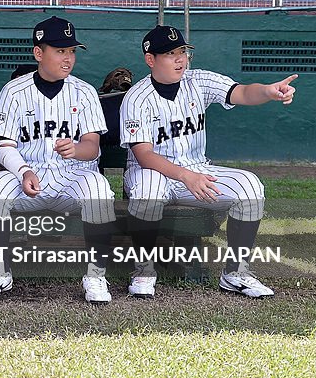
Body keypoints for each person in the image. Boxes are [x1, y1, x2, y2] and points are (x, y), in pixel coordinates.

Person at [120, 25, 296, 298]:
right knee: (148, 190)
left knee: (250, 186)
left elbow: (243, 92)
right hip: (151, 171)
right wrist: (185, 177)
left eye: (182, 52)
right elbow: (144, 155)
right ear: (150, 59)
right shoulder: (137, 97)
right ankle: (143, 270)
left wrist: (269, 91)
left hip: (196, 169)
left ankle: (235, 274)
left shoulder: (199, 81)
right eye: (170, 54)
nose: (180, 59)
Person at [0, 16, 117, 303]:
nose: (68, 58)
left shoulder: (85, 91)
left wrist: (77, 150)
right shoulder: (14, 91)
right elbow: (3, 146)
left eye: (72, 51)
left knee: (100, 189)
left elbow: (93, 146)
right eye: (60, 51)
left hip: (71, 176)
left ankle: (96, 276)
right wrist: (24, 170)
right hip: (29, 176)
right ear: (39, 53)